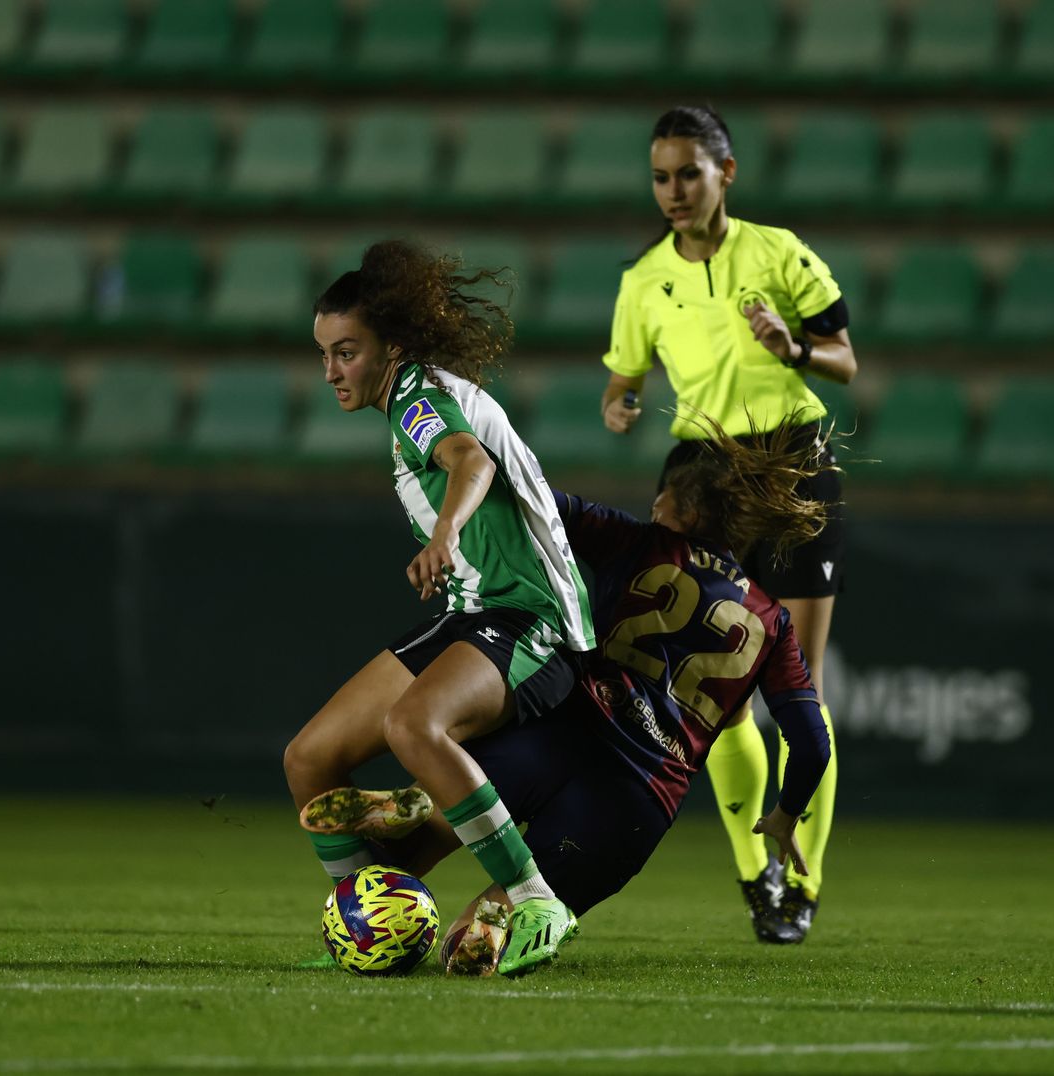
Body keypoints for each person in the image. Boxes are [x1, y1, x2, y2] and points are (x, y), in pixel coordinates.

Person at [330, 413, 834, 976]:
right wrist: (786, 815)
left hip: (556, 738)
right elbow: (812, 743)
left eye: (661, 502)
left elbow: (536, 500)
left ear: (689, 514)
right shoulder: (774, 622)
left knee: (404, 855)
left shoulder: (642, 541)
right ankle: (499, 919)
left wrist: (468, 455)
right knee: (475, 946)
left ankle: (420, 808)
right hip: (633, 798)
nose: (654, 509)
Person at [284, 239, 595, 977]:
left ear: (391, 347)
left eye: (347, 352)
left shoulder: (417, 399)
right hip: (473, 611)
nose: (331, 371)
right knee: (310, 758)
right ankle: (370, 920)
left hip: (531, 617)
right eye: (324, 354)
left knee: (412, 725)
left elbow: (470, 459)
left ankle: (535, 899)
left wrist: (446, 531)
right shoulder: (419, 395)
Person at [596, 105, 860, 944]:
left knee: (801, 691)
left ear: (726, 173)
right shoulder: (644, 280)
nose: (673, 191)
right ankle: (759, 875)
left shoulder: (778, 253)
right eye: (660, 177)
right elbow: (622, 379)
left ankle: (803, 882)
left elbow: (845, 359)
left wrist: (793, 350)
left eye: (689, 174)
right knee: (720, 693)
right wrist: (619, 403)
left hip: (792, 462)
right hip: (702, 478)